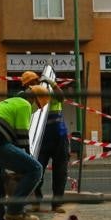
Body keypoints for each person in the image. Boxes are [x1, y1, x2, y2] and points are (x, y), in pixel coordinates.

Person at [0, 84, 50, 220]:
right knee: (35, 169)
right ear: (35, 100)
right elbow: (22, 138)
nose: (37, 109)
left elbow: (13, 138)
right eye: (39, 107)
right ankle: (15, 210)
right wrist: (27, 162)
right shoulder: (24, 105)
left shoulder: (8, 102)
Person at [21, 71, 71, 212]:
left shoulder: (49, 93)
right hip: (40, 139)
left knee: (60, 171)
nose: (31, 86)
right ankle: (37, 201)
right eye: (28, 84)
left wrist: (52, 83)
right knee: (36, 170)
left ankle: (57, 204)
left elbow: (61, 97)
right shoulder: (28, 100)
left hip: (58, 137)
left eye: (33, 82)